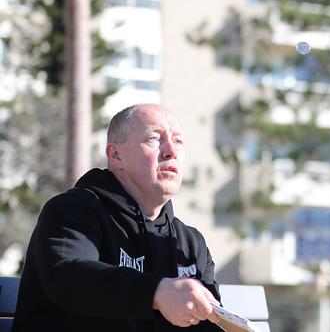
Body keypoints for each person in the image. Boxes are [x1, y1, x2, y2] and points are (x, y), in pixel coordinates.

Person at [13, 104, 225, 331]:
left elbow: (208, 323)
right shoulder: (72, 210)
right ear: (116, 155)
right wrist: (156, 292)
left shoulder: (190, 244)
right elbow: (68, 277)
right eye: (154, 139)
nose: (170, 151)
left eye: (178, 141)